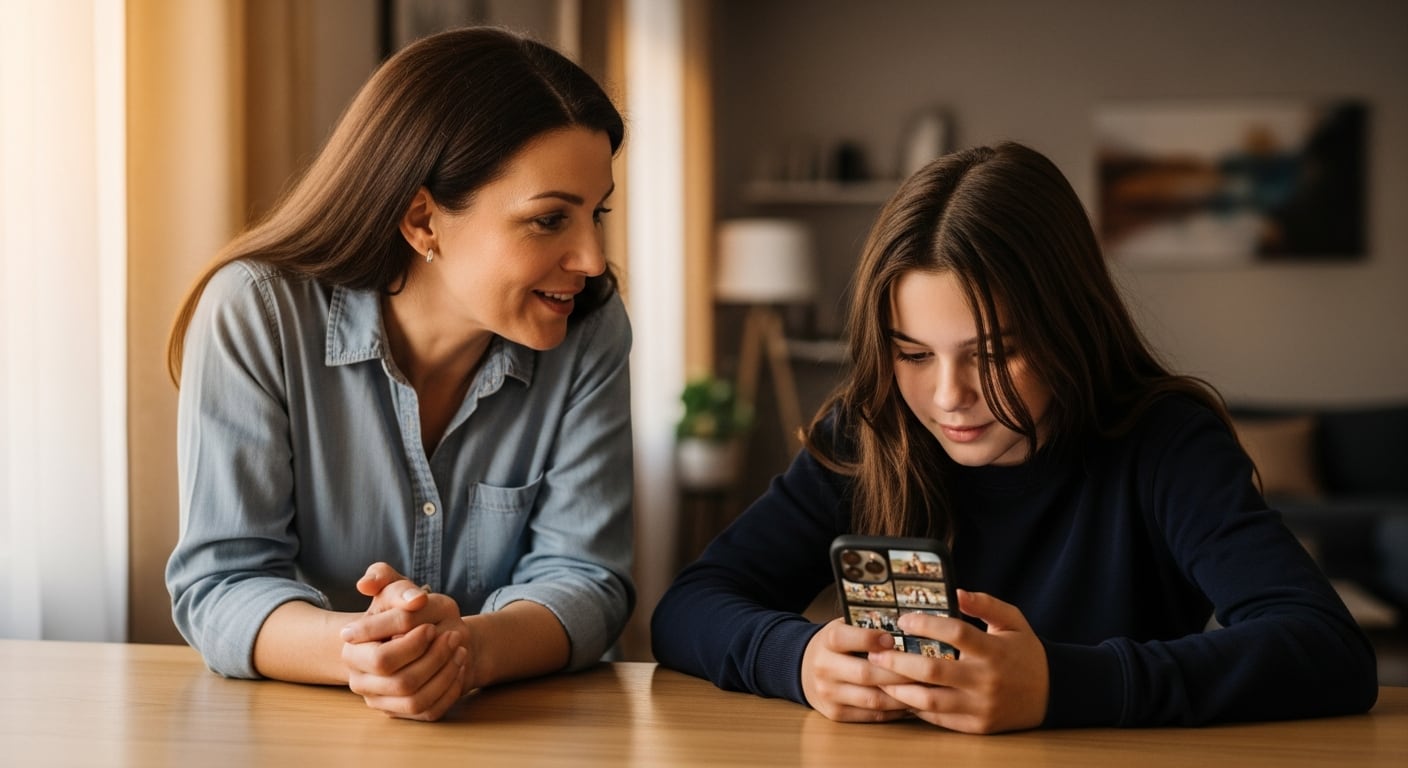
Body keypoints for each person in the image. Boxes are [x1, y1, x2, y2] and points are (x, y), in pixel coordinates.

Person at [651, 142, 1377, 733]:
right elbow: (688, 607)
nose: (948, 397)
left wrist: (1063, 686)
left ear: (1068, 329)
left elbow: (1327, 649)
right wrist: (799, 658)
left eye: (994, 354)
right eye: (913, 354)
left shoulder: (1165, 443)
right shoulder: (871, 431)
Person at [165, 27, 634, 722]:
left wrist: (465, 649)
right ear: (422, 220)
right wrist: (367, 654)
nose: (593, 259)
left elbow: (588, 580)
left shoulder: (589, 327)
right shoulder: (256, 311)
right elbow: (222, 584)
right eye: (549, 220)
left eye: (596, 213)